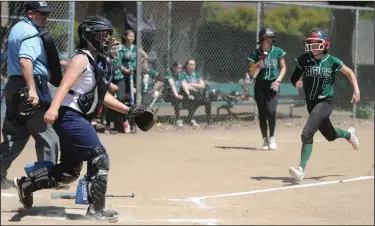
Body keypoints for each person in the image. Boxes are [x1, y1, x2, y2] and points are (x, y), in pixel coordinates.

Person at [13, 16, 132, 222]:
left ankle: (27, 184)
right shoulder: (81, 58)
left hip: (77, 118)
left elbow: (101, 95)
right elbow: (64, 85)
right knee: (99, 158)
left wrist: (129, 111)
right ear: (89, 36)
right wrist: (54, 108)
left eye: (107, 34)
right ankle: (96, 210)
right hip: (69, 116)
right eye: (102, 34)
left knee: (68, 172)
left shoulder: (98, 61)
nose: (107, 38)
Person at [0, 1, 59, 189]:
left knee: (15, 136)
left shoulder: (17, 28)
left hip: (14, 85)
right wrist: (32, 89)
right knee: (48, 136)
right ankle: (47, 177)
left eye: (46, 14)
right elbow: (25, 60)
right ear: (31, 14)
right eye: (42, 14)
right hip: (30, 86)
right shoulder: (31, 33)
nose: (46, 18)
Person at [288, 30, 360, 183]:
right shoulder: (303, 60)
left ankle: (300, 170)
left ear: (325, 45)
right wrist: (296, 83)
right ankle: (349, 135)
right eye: (311, 43)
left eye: (317, 43)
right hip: (311, 103)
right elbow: (294, 77)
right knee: (330, 135)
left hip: (325, 102)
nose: (313, 46)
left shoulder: (331, 61)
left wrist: (356, 90)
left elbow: (349, 73)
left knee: (307, 133)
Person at [248, 28, 287, 151]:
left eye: (271, 38)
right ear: (261, 40)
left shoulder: (278, 51)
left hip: (273, 84)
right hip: (260, 85)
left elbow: (283, 68)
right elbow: (251, 73)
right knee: (262, 113)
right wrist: (256, 67)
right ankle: (265, 139)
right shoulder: (255, 53)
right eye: (267, 39)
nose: (270, 41)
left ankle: (272, 137)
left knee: (271, 110)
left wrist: (278, 80)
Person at [120, 29, 148, 133]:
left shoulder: (136, 48)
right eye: (130, 36)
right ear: (125, 37)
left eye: (133, 36)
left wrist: (138, 64)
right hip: (123, 76)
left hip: (134, 76)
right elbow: (118, 61)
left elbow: (146, 56)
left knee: (135, 99)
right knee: (123, 98)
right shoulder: (122, 48)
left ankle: (133, 123)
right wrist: (124, 69)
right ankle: (124, 121)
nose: (131, 38)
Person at [180, 59, 212, 128]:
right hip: (187, 95)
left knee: (208, 101)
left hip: (197, 95)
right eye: (190, 65)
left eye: (193, 65)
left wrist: (192, 84)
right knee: (194, 98)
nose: (192, 66)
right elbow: (184, 85)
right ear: (187, 65)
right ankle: (190, 118)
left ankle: (208, 121)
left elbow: (202, 85)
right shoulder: (183, 74)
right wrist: (191, 87)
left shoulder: (197, 74)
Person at [164, 61, 184, 127]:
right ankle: (178, 119)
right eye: (178, 68)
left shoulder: (180, 75)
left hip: (178, 93)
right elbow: (172, 85)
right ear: (173, 68)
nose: (179, 70)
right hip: (169, 94)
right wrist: (177, 95)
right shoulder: (169, 73)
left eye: (180, 68)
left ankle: (190, 118)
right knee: (176, 99)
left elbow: (184, 84)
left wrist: (188, 93)